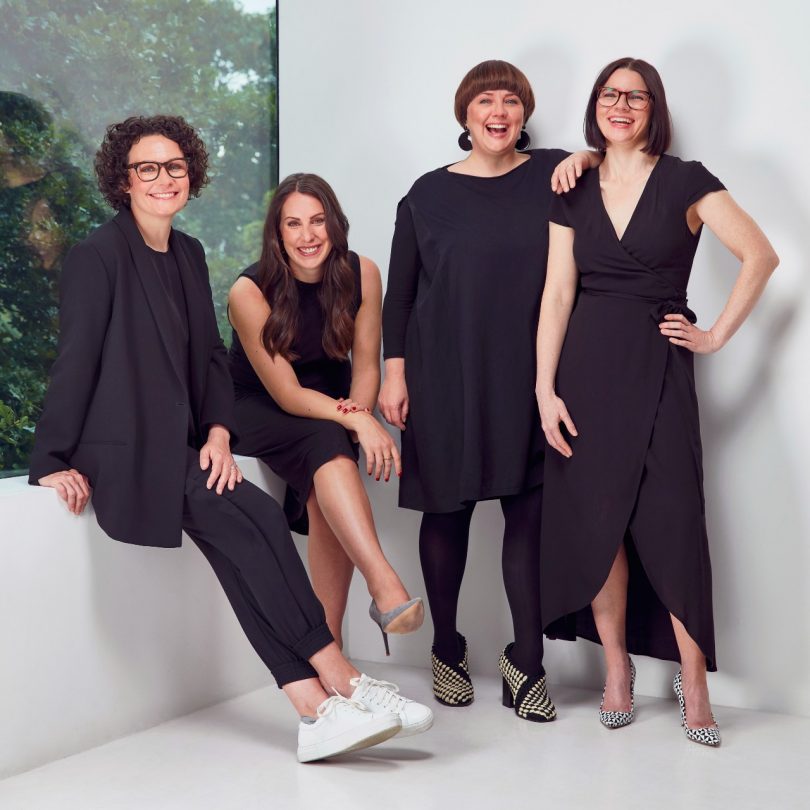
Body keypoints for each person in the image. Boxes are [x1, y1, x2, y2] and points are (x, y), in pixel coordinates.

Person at [27, 115, 432, 762]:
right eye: (147, 169)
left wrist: (218, 430)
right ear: (122, 180)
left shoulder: (186, 254)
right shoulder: (97, 256)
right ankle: (345, 686)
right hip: (124, 449)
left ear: (191, 175)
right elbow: (74, 359)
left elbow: (210, 359)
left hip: (184, 443)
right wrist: (49, 458)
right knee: (259, 527)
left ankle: (316, 710)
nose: (164, 179)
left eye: (175, 167)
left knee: (260, 527)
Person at [536, 57, 778, 746]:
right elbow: (557, 294)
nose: (621, 105)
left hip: (661, 366)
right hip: (583, 371)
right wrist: (543, 387)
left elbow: (760, 256)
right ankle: (617, 671)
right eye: (609, 94)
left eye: (635, 96)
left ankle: (693, 680)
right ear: (596, 105)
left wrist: (713, 336)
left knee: (673, 519)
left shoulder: (688, 181)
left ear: (654, 107)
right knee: (599, 521)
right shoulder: (573, 186)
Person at [379, 59, 599, 721]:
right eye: (485, 101)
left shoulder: (552, 175)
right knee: (447, 513)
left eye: (510, 101)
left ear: (523, 114)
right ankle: (447, 649)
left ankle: (525, 660)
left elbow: (610, 161)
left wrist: (586, 156)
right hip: (442, 373)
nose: (498, 112)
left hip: (530, 376)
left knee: (529, 517)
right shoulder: (424, 194)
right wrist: (395, 373)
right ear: (465, 115)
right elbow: (401, 295)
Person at [227, 172, 423, 652]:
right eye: (293, 224)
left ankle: (329, 649)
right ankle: (383, 586)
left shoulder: (364, 273)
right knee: (326, 441)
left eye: (317, 221)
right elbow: (289, 395)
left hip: (331, 405)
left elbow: (365, 364)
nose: (307, 235)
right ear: (277, 234)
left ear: (335, 224)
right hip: (260, 405)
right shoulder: (248, 292)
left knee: (326, 461)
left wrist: (357, 408)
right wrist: (357, 419)